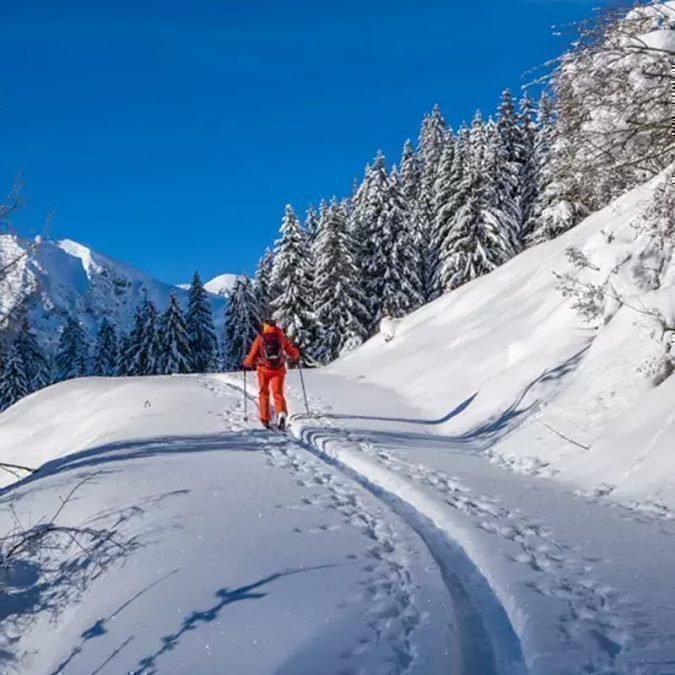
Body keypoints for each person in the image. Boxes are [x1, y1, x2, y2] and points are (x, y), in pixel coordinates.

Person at [242, 318, 300, 430]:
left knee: (264, 393)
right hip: (278, 370)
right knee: (278, 393)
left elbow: (252, 356)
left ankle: (265, 418)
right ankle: (281, 413)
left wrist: (245, 363)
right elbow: (293, 353)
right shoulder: (281, 337)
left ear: (266, 325)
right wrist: (297, 353)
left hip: (263, 370)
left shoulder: (260, 339)